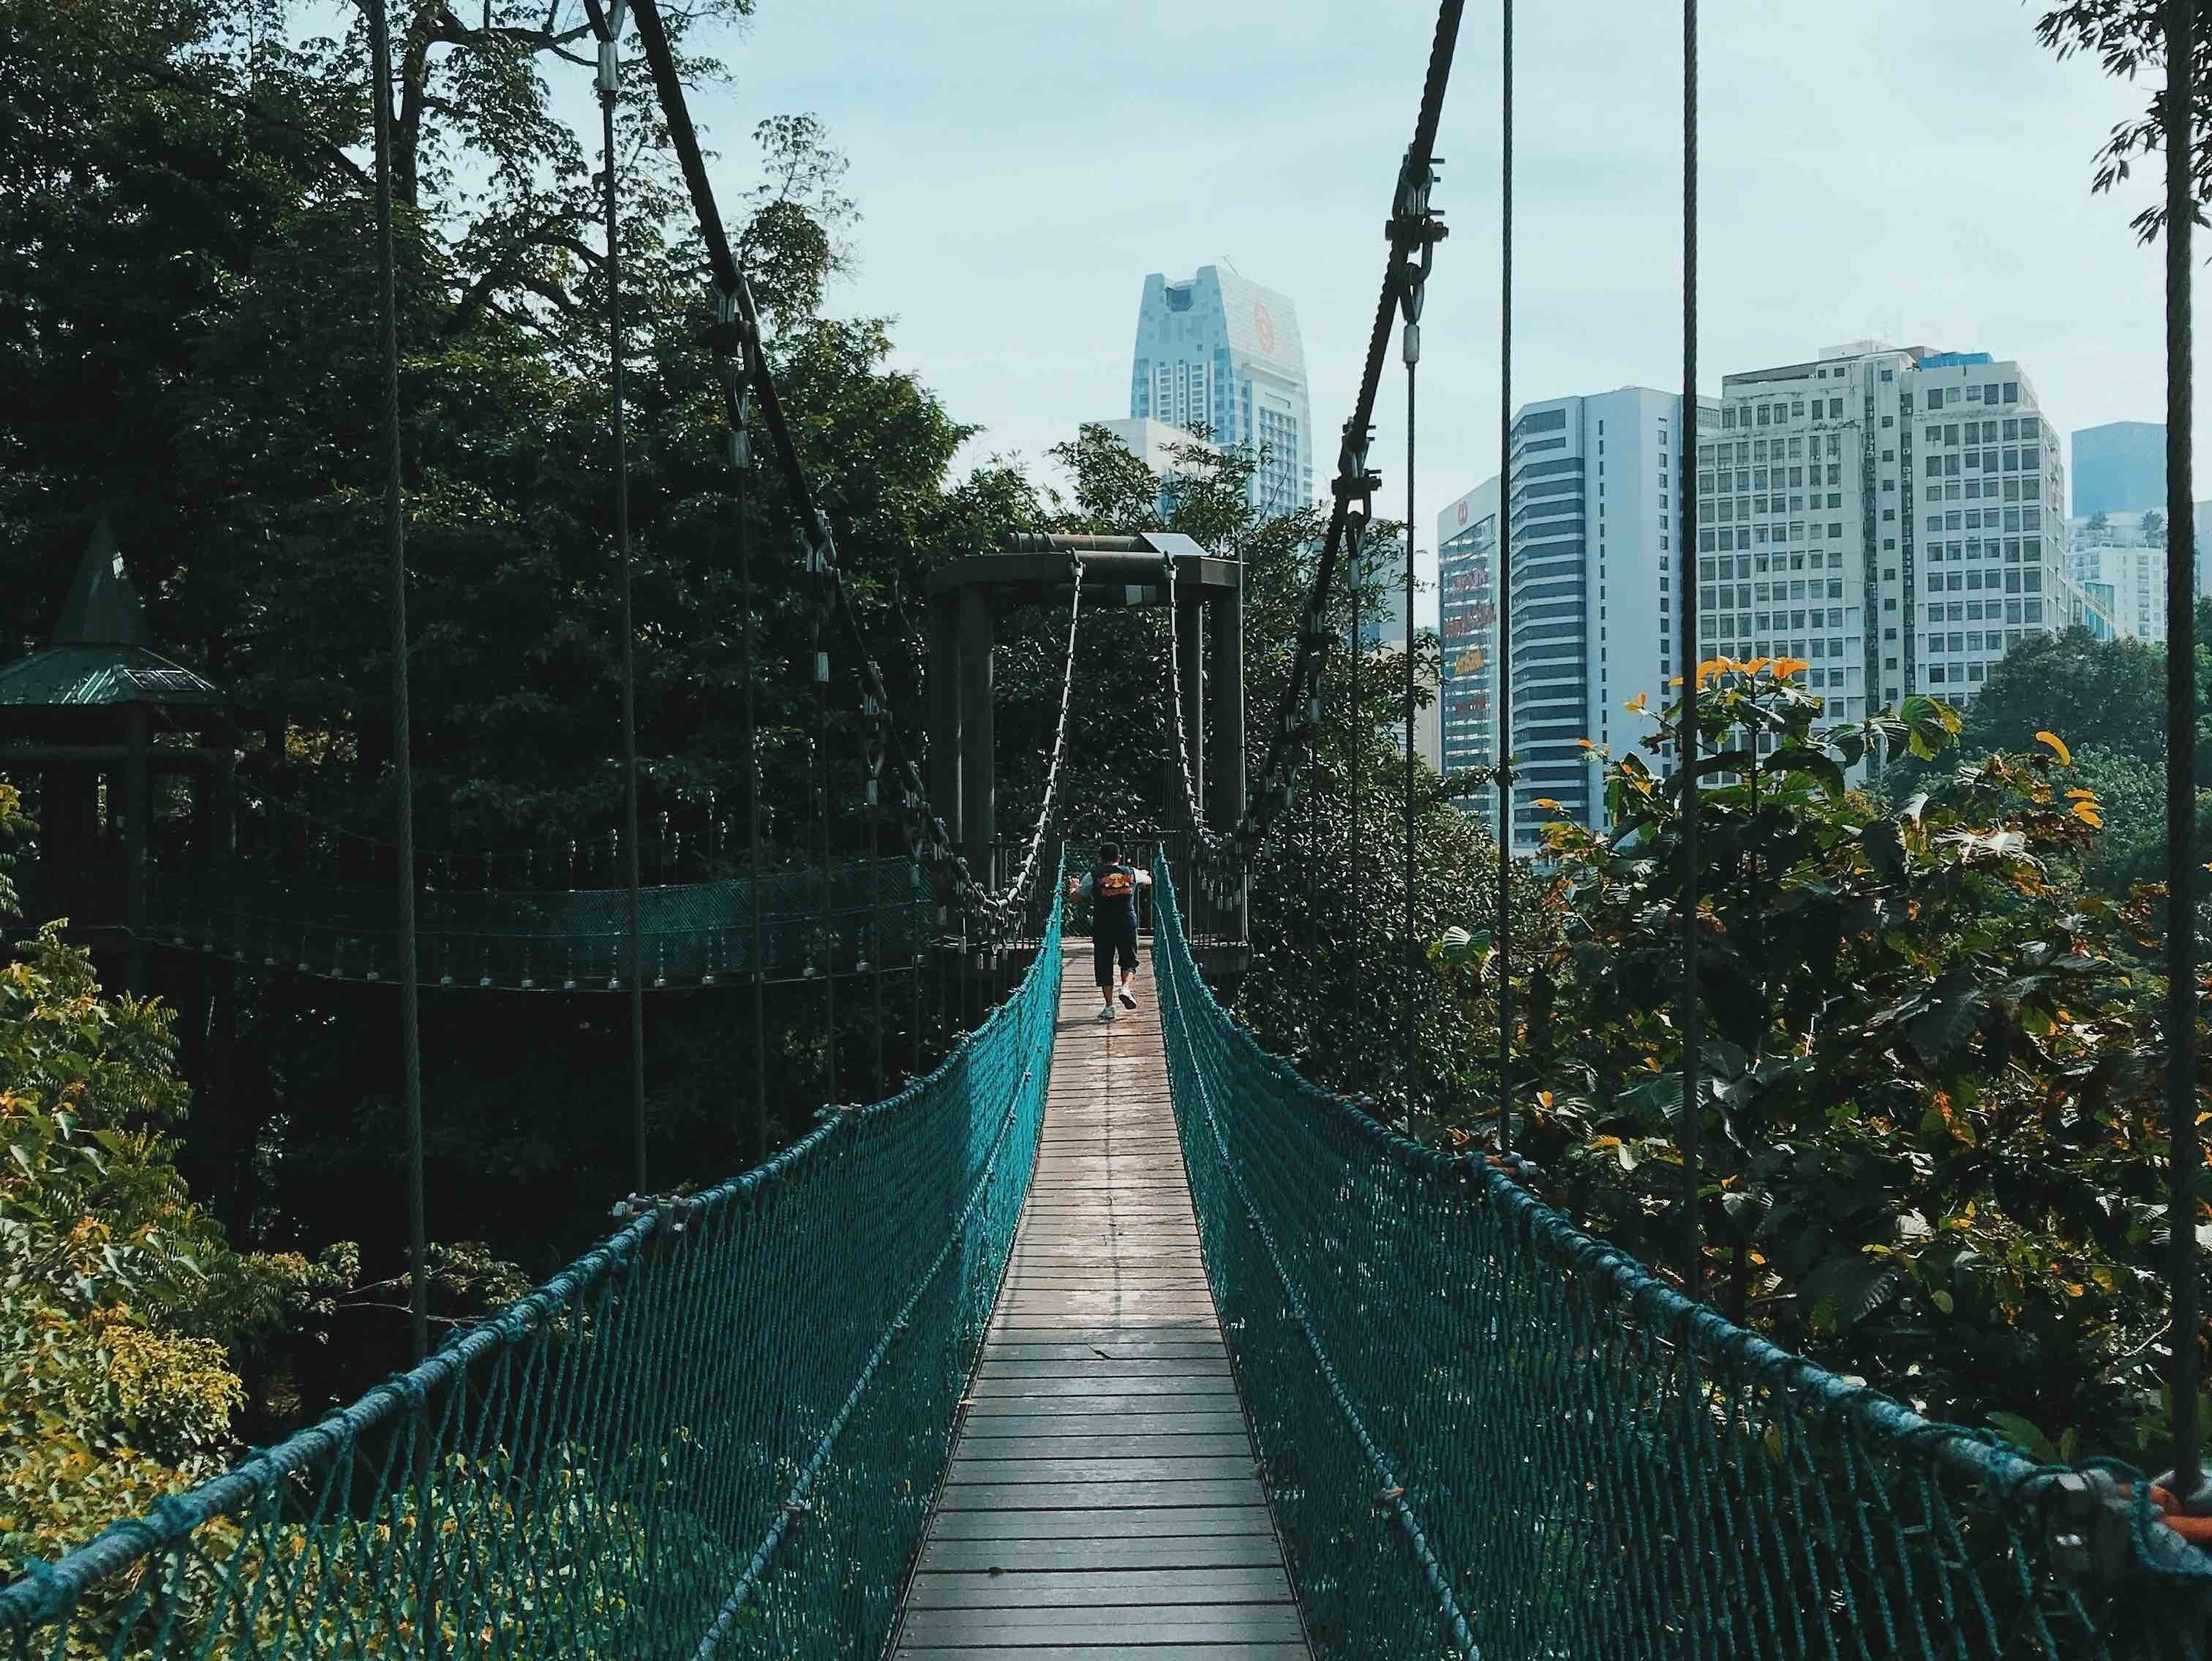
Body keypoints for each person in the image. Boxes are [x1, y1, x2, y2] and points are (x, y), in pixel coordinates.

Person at [1066, 841, 1150, 1022]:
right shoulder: (1131, 872)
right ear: (1119, 858)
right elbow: (1149, 881)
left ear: (1100, 859)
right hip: (1127, 922)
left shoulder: (1094, 875)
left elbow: (1076, 897)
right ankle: (1126, 988)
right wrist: (1143, 875)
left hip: (1103, 925)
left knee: (1104, 964)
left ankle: (1109, 1007)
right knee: (1129, 960)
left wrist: (1073, 887)